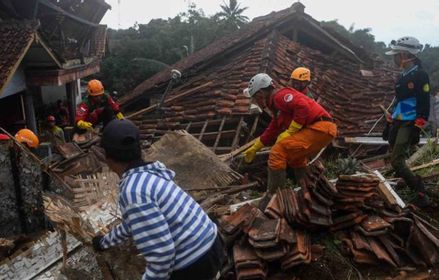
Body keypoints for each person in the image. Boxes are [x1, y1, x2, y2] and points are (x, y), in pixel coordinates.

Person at [91, 119, 224, 280]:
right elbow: (133, 223)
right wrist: (104, 242)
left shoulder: (133, 191)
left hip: (195, 262)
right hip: (212, 243)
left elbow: (162, 255)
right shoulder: (149, 174)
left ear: (107, 157)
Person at [242, 73, 337, 207]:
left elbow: (302, 106)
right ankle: (307, 189)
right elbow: (273, 128)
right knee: (295, 158)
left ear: (261, 93)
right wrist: (255, 147)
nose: (256, 101)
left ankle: (275, 197)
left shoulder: (280, 96)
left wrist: (291, 130)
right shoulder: (276, 106)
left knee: (277, 152)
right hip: (322, 129)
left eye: (255, 98)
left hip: (320, 127)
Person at [385, 36, 431, 207]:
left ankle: (419, 190)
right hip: (398, 118)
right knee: (393, 148)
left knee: (396, 160)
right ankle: (405, 176)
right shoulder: (403, 75)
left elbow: (424, 100)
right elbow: (399, 99)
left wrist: (419, 124)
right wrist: (392, 113)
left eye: (396, 55)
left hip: (410, 121)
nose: (394, 59)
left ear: (405, 55)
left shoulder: (420, 75)